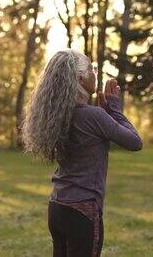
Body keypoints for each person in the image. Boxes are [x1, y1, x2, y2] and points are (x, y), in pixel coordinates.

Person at [21, 49, 142, 257]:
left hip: (58, 207)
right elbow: (134, 142)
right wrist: (114, 110)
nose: (95, 73)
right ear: (80, 78)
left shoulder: (59, 116)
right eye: (91, 69)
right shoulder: (93, 116)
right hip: (83, 210)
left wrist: (106, 115)